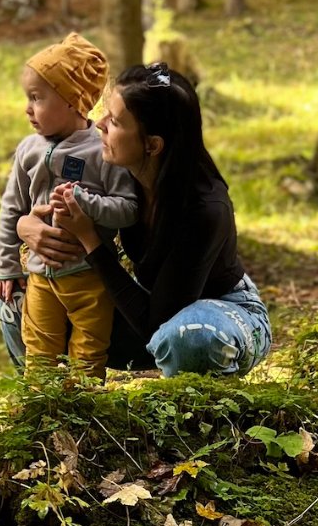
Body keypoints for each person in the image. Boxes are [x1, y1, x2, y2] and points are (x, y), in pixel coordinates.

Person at [19, 64, 272, 378]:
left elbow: (158, 321)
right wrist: (25, 225)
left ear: (152, 144)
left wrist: (90, 240)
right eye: (105, 114)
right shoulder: (125, 171)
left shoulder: (205, 209)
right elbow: (48, 194)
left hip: (221, 314)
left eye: (114, 121)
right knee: (23, 303)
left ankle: (202, 406)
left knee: (188, 336)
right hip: (155, 308)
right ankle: (53, 402)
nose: (99, 124)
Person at [0, 35, 140, 377]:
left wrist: (85, 204)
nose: (28, 108)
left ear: (73, 102)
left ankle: (86, 415)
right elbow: (12, 210)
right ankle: (41, 413)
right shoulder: (28, 150)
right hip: (40, 277)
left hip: (90, 278)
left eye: (37, 98)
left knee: (89, 353)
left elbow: (127, 209)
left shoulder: (100, 151)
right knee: (39, 350)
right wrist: (7, 267)